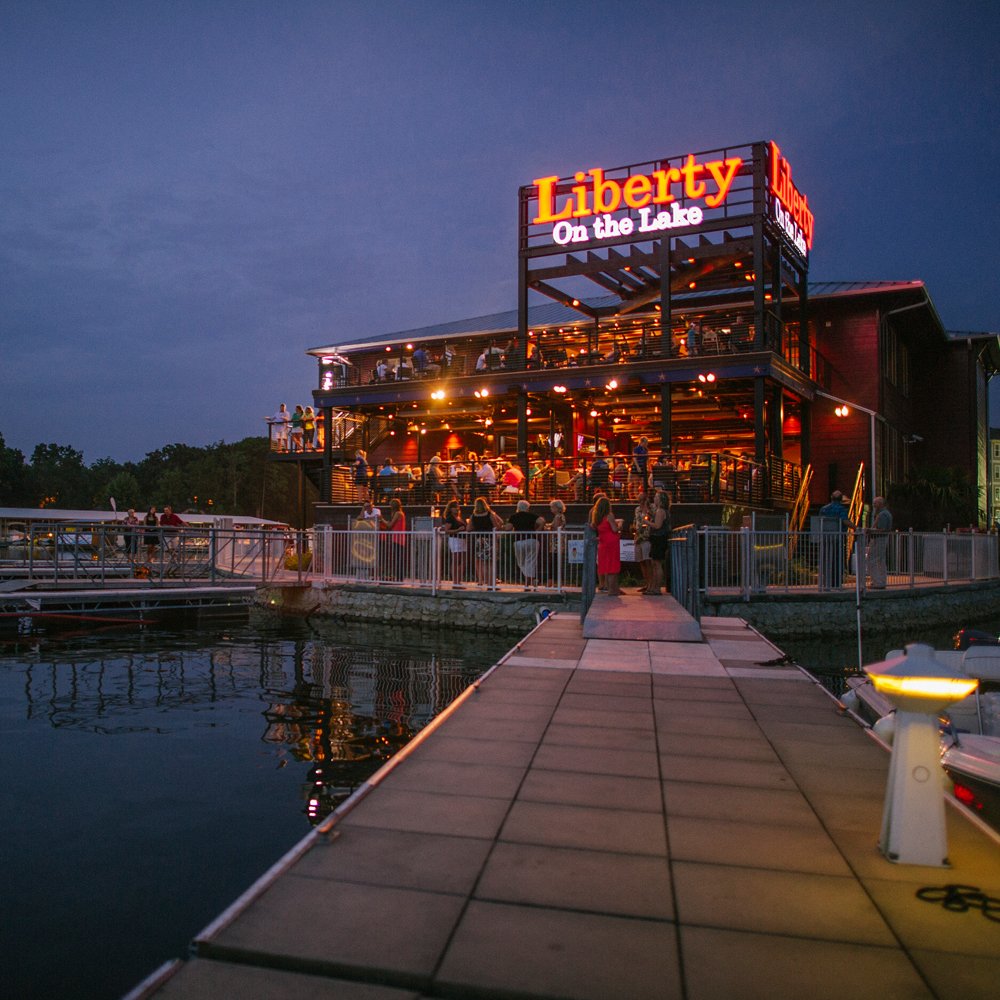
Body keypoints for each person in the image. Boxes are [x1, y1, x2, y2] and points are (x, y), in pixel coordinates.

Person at [818, 489, 855, 589]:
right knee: (837, 559)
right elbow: (845, 521)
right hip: (837, 537)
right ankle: (836, 583)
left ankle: (826, 582)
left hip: (825, 536)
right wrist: (856, 528)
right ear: (840, 499)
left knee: (826, 559)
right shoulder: (841, 509)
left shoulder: (823, 509)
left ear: (831, 498)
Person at [506, 499, 545, 590]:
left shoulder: (514, 516)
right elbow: (542, 521)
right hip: (532, 540)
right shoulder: (532, 516)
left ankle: (527, 584)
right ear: (528, 508)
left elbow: (508, 528)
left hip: (519, 541)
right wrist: (538, 530)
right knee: (530, 561)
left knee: (521, 562)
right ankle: (532, 580)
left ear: (518, 507)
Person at [590, 495, 622, 596]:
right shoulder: (609, 516)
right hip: (612, 542)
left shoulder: (597, 518)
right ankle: (613, 590)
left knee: (606, 566)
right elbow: (614, 529)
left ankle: (610, 588)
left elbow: (597, 529)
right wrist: (620, 524)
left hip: (603, 542)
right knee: (613, 567)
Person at [469, 496, 503, 587]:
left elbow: (468, 528)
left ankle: (481, 581)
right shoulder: (489, 514)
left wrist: (476, 528)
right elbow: (496, 526)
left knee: (480, 561)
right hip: (489, 540)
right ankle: (490, 583)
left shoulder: (473, 516)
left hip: (479, 540)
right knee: (490, 562)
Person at [866, 496, 893, 589]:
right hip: (881, 539)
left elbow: (882, 529)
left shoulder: (882, 515)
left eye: (875, 503)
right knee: (880, 560)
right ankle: (881, 581)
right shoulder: (885, 513)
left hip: (879, 539)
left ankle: (877, 582)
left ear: (880, 504)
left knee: (872, 559)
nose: (873, 505)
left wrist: (870, 531)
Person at [440, 499, 467, 588]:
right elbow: (447, 531)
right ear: (450, 509)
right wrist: (458, 530)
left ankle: (459, 581)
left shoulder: (459, 517)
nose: (457, 509)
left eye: (457, 507)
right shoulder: (450, 518)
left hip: (462, 540)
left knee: (463, 561)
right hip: (455, 540)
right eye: (454, 507)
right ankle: (455, 582)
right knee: (456, 560)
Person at [647, 490, 669, 595]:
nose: (654, 498)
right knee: (654, 563)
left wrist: (646, 522)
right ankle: (654, 586)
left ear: (660, 500)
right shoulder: (659, 510)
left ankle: (657, 588)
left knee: (657, 563)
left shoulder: (661, 511)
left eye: (656, 497)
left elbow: (657, 525)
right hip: (657, 538)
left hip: (659, 538)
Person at [632, 490, 653, 593]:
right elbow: (635, 521)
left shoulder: (651, 509)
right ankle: (646, 583)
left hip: (646, 538)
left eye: (641, 500)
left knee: (648, 561)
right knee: (641, 562)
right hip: (638, 538)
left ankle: (651, 584)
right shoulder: (637, 510)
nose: (639, 501)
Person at [545, 498, 567, 586]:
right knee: (555, 561)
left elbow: (556, 527)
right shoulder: (560, 516)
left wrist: (548, 528)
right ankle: (555, 582)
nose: (551, 509)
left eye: (552, 507)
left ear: (557, 508)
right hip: (557, 541)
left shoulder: (558, 516)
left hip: (556, 542)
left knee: (553, 561)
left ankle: (552, 582)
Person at [383, 497, 407, 580]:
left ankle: (399, 578)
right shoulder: (400, 513)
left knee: (398, 559)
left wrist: (381, 519)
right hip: (398, 538)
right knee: (398, 558)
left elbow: (390, 525)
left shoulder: (397, 513)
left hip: (398, 539)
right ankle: (398, 577)